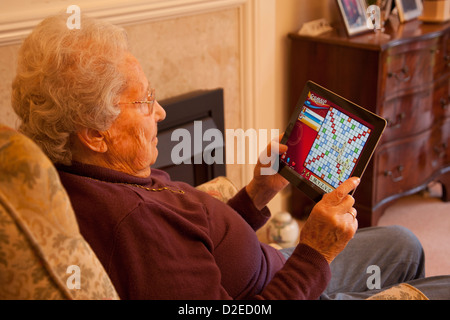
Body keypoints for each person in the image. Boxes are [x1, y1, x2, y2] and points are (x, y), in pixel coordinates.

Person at [11, 13, 450, 300]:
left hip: (275, 263)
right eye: (144, 101)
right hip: (292, 286)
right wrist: (315, 252)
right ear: (95, 134)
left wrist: (256, 194)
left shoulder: (79, 175)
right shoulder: (135, 226)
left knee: (404, 242)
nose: (161, 112)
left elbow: (198, 238)